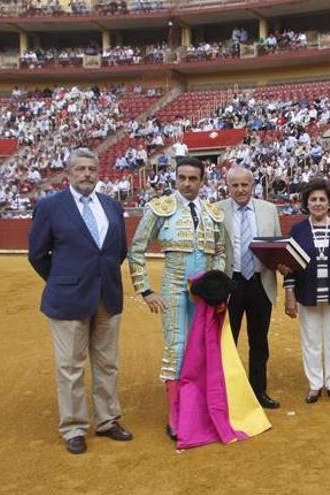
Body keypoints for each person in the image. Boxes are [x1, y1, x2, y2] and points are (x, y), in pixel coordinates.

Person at [27, 148, 132, 455]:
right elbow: (37, 254)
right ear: (68, 173)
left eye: (92, 169)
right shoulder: (50, 206)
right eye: (81, 169)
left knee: (107, 363)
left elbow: (118, 251)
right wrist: (62, 280)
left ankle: (108, 419)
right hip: (68, 298)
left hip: (107, 295)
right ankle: (73, 427)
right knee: (70, 366)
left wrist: (99, 278)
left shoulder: (111, 205)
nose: (87, 173)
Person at [128, 156, 226, 441]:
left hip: (204, 294)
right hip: (172, 288)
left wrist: (216, 286)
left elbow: (219, 251)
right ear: (175, 178)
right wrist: (146, 290)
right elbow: (137, 249)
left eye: (192, 178)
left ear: (201, 181)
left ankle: (199, 410)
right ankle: (175, 416)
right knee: (176, 349)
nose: (186, 183)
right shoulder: (160, 209)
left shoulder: (211, 212)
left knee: (203, 350)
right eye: (182, 177)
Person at [216, 166, 282, 409]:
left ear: (253, 185)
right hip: (229, 283)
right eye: (235, 185)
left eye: (245, 184)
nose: (240, 189)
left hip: (259, 282)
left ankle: (258, 391)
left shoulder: (269, 210)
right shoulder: (217, 210)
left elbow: (275, 245)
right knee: (227, 341)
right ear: (228, 186)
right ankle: (229, 393)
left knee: (259, 341)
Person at [283, 178, 330, 404]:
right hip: (307, 291)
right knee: (310, 340)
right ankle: (315, 384)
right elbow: (289, 264)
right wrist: (289, 292)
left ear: (329, 203)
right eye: (313, 199)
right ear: (307, 203)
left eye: (322, 199)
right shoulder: (298, 230)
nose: (318, 203)